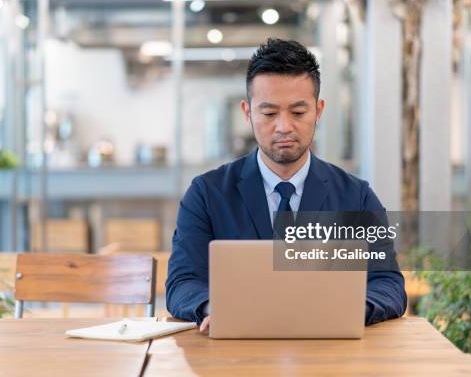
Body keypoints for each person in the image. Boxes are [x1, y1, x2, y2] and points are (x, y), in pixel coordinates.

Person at [166, 38, 407, 333]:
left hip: (328, 352)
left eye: (298, 112)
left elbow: (388, 284)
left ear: (318, 111)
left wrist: (347, 309)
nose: (283, 126)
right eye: (268, 113)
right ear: (247, 112)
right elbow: (182, 282)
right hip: (234, 353)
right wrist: (218, 308)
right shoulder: (206, 194)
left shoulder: (355, 198)